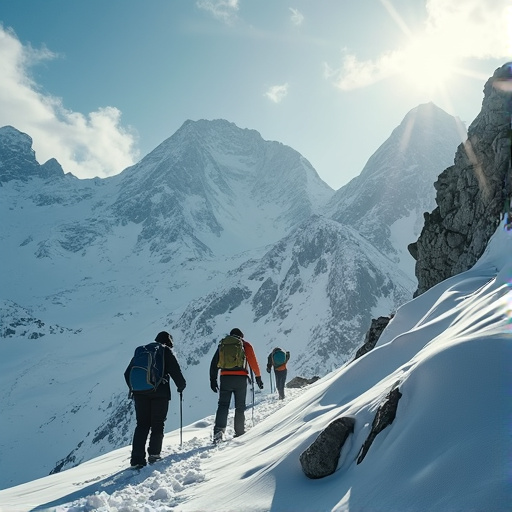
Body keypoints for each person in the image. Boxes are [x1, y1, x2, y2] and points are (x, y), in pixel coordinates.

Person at [124, 331, 186, 468]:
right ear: (169, 342)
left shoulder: (143, 351)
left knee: (142, 424)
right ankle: (154, 455)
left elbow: (127, 373)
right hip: (160, 393)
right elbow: (175, 371)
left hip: (140, 394)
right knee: (157, 423)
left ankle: (137, 459)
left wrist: (135, 389)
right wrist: (181, 386)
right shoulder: (165, 351)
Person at [209, 328, 264, 442]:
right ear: (241, 336)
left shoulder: (222, 345)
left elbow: (214, 363)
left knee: (223, 405)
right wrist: (258, 377)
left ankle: (218, 432)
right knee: (240, 406)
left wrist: (213, 379)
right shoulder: (245, 345)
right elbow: (253, 361)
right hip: (240, 378)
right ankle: (239, 432)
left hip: (225, 378)